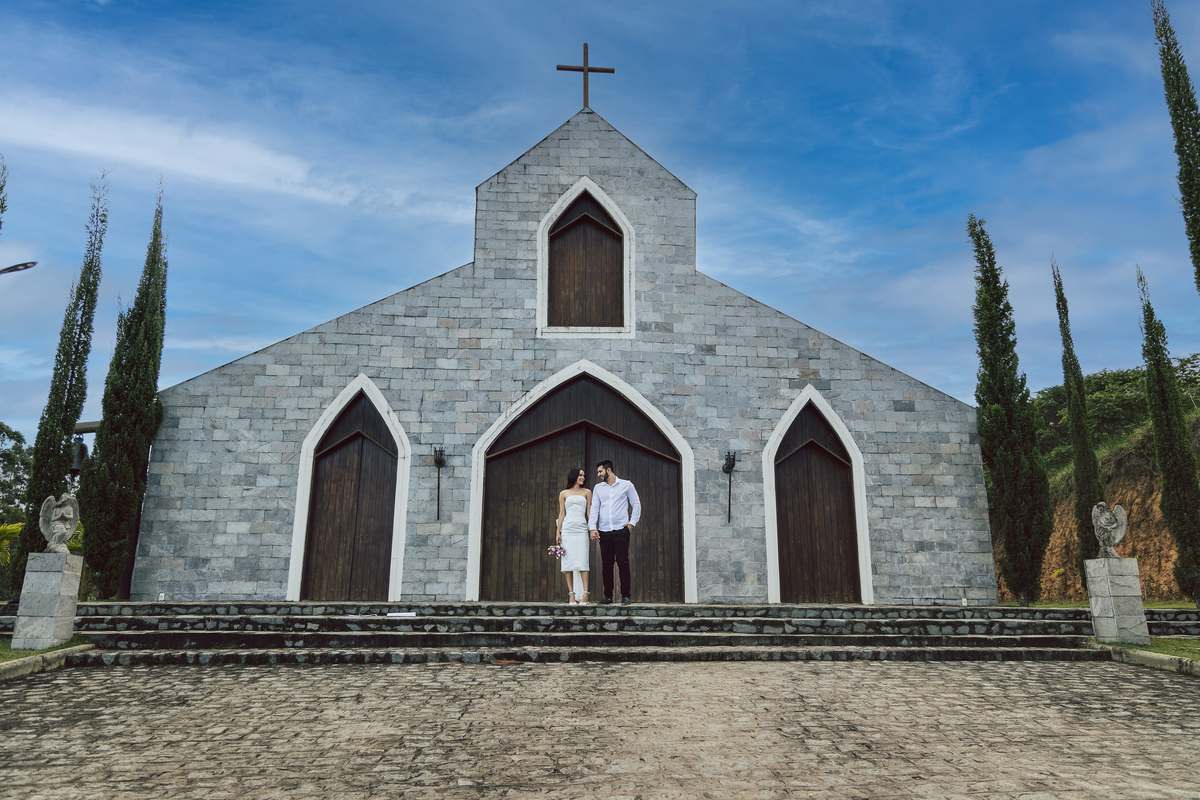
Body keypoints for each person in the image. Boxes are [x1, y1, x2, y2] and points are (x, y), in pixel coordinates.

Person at [587, 459, 641, 605]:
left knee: (623, 563)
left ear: (608, 470)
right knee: (607, 564)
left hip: (621, 531)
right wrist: (592, 528)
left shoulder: (626, 485)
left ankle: (625, 596)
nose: (598, 474)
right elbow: (594, 508)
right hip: (604, 531)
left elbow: (636, 503)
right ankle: (608, 596)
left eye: (600, 471)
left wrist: (631, 524)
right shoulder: (598, 488)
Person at [555, 468, 592, 604]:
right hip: (567, 530)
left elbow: (589, 513)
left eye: (583, 475)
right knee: (568, 562)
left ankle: (585, 594)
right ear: (574, 476)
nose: (582, 477)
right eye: (580, 475)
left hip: (581, 529)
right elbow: (561, 514)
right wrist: (558, 531)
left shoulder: (587, 492)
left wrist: (593, 528)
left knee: (583, 561)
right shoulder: (563, 493)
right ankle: (571, 594)